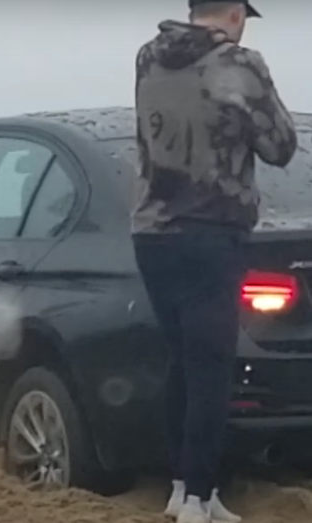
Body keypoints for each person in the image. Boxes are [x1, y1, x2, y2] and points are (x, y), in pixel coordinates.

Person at [132, 1, 296, 522]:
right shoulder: (241, 65)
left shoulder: (147, 58)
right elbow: (282, 146)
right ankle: (199, 502)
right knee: (212, 370)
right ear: (231, 13)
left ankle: (184, 489)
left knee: (182, 361)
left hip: (152, 230)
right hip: (211, 228)